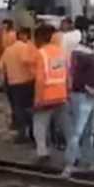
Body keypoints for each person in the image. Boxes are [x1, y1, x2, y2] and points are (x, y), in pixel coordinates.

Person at [62, 26, 94, 177]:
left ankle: (86, 162)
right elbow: (78, 77)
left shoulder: (77, 54)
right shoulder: (85, 55)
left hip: (84, 95)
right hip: (86, 96)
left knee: (84, 132)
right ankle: (72, 164)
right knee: (81, 132)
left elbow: (74, 75)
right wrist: (89, 88)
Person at [32, 24, 69, 163]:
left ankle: (42, 153)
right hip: (61, 94)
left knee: (40, 125)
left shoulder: (40, 53)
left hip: (46, 96)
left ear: (39, 38)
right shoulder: (61, 52)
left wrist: (37, 99)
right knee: (65, 125)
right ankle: (72, 152)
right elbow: (68, 74)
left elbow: (40, 80)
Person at [0, 27, 36, 143]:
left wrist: (3, 81)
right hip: (29, 82)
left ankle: (21, 134)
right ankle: (33, 133)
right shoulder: (29, 48)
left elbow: (0, 66)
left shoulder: (8, 50)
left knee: (18, 109)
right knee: (30, 108)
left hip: (14, 84)